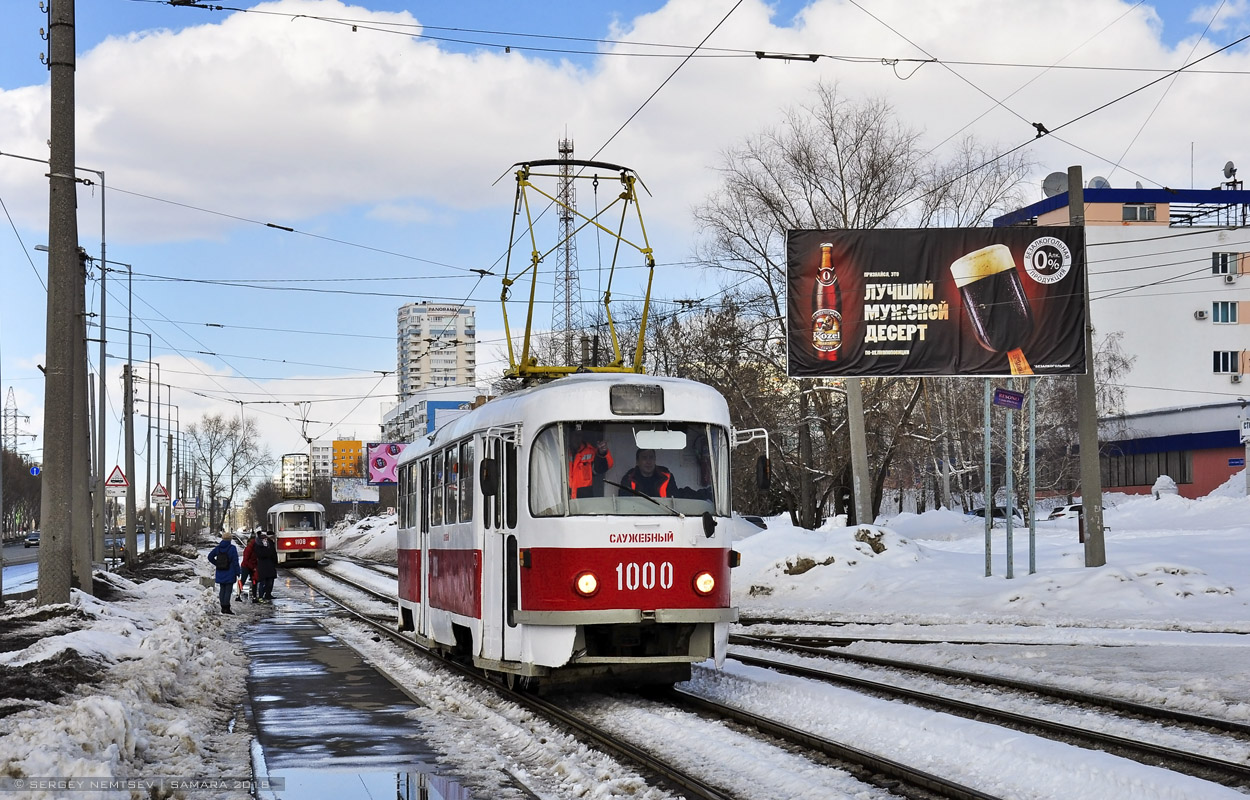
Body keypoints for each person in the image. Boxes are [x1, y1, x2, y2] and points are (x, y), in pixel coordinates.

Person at [569, 428, 613, 498]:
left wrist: (602, 453)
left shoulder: (590, 451)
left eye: (579, 435)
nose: (577, 438)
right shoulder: (562, 451)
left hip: (585, 500)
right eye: (575, 435)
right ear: (570, 435)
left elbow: (602, 468)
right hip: (565, 500)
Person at [206, 530, 241, 615]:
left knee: (222, 589)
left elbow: (210, 557)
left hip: (220, 571)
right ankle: (226, 608)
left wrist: (217, 564)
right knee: (228, 590)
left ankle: (222, 607)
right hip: (230, 571)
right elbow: (235, 561)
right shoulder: (232, 548)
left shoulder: (218, 548)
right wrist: (238, 572)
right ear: (230, 539)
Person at [254, 530, 278, 603]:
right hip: (263, 565)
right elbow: (261, 554)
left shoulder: (270, 543)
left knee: (270, 581)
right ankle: (261, 596)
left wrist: (275, 561)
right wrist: (268, 554)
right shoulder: (258, 545)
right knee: (263, 582)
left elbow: (273, 553)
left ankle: (268, 594)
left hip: (269, 564)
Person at [240, 531, 259, 601]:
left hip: (252, 566)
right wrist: (252, 567)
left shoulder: (254, 548)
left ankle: (254, 596)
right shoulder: (248, 549)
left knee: (254, 581)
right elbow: (246, 560)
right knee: (243, 580)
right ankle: (238, 594)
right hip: (246, 566)